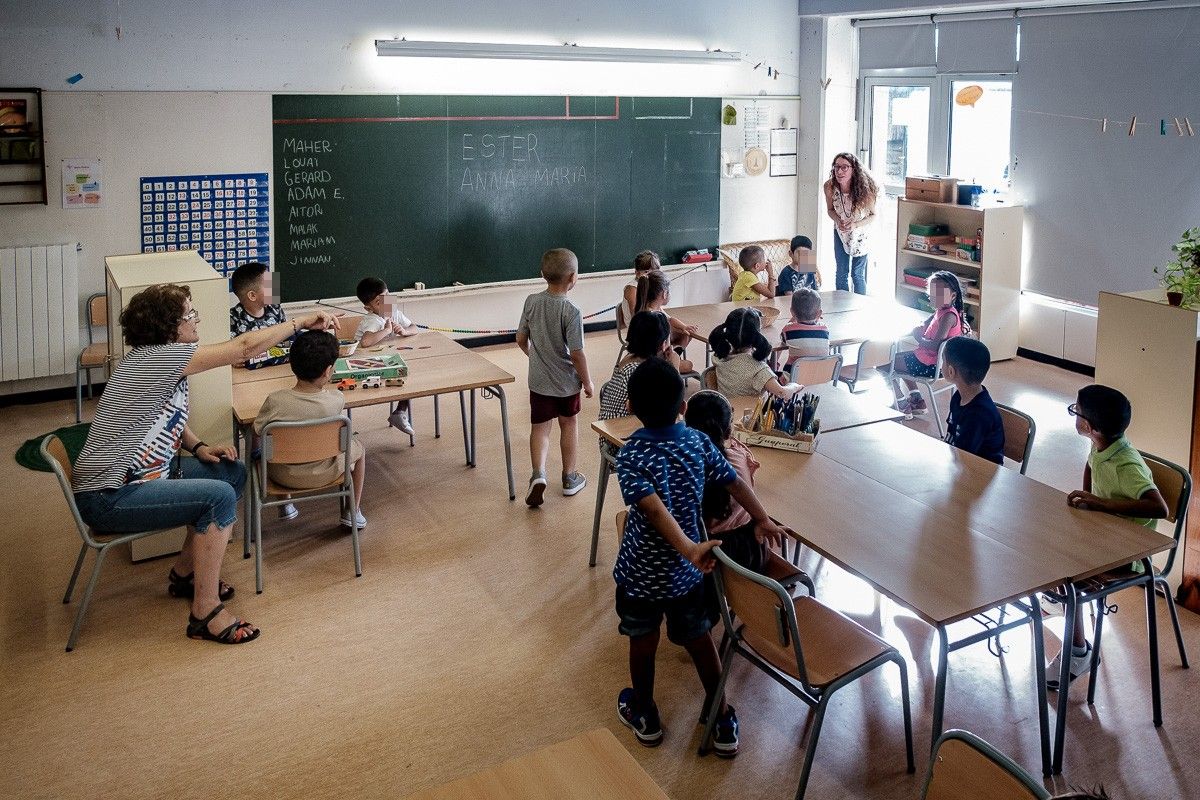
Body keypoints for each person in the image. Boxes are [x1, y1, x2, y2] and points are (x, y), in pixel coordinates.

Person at [71, 283, 340, 644]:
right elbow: (243, 347)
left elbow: (162, 416)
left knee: (232, 473)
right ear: (168, 327)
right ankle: (205, 612)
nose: (196, 320)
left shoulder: (156, 360)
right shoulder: (159, 357)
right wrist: (301, 322)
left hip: (141, 477)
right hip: (109, 495)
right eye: (189, 315)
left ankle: (184, 574)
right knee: (219, 498)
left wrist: (197, 447)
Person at [613, 358, 785, 755]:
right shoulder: (698, 442)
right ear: (683, 407)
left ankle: (646, 714)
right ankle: (721, 716)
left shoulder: (631, 454)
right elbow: (735, 482)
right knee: (699, 638)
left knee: (642, 640)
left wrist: (690, 548)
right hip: (688, 574)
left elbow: (653, 509)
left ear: (633, 407)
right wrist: (762, 518)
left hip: (641, 573)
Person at [1050, 385, 1168, 688]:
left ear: (1088, 427)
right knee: (1048, 550)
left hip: (1129, 555)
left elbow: (1159, 507)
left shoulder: (1127, 464)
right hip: (1103, 538)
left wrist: (1102, 503)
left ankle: (1079, 651)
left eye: (1075, 411)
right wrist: (1089, 495)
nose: (1073, 414)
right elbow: (1091, 464)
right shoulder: (1101, 444)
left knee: (1067, 575)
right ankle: (1072, 623)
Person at [253, 330, 368, 529]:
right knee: (360, 451)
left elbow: (256, 431)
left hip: (280, 476)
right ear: (328, 371)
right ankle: (352, 511)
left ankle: (286, 505)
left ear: (292, 365)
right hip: (327, 473)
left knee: (271, 447)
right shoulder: (336, 399)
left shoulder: (275, 400)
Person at [516, 247, 594, 507]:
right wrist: (588, 380)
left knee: (540, 428)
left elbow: (520, 338)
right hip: (566, 383)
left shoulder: (531, 301)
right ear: (573, 278)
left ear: (542, 275)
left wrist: (533, 357)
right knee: (569, 424)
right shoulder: (572, 310)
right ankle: (570, 478)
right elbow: (577, 353)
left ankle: (538, 474)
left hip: (539, 382)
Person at [683, 390, 775, 573]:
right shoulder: (737, 460)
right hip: (742, 556)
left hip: (697, 552)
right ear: (727, 431)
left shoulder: (680, 461)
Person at [887, 270, 969, 414]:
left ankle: (901, 403)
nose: (934, 296)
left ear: (953, 295)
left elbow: (935, 345)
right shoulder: (942, 312)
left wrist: (919, 338)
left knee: (886, 363)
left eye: (939, 293)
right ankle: (917, 401)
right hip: (931, 361)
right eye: (932, 292)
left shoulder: (948, 316)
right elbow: (924, 325)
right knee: (898, 359)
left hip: (931, 365)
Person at [598, 311, 672, 458]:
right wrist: (673, 367)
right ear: (663, 344)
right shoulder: (643, 371)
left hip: (610, 435)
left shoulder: (629, 359)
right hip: (620, 444)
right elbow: (667, 407)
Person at [355, 277, 418, 435]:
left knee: (409, 373)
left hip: (386, 360)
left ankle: (400, 412)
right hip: (363, 363)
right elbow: (366, 342)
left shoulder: (394, 313)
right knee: (404, 373)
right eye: (378, 302)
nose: (385, 303)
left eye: (387, 295)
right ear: (367, 308)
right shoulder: (372, 319)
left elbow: (414, 327)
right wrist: (386, 331)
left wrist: (404, 331)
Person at [710, 307, 802, 400]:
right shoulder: (758, 370)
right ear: (757, 335)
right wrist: (794, 386)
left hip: (726, 411)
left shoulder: (718, 357)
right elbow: (783, 393)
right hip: (752, 413)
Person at [941, 336, 1005, 464]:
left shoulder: (980, 415)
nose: (940, 364)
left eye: (943, 360)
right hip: (960, 465)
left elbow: (965, 457)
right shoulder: (958, 397)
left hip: (979, 473)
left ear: (951, 371)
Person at [823, 152, 878, 294]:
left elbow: (873, 215)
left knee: (857, 274)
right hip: (840, 231)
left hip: (861, 233)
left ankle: (859, 307)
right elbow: (830, 210)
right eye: (836, 167)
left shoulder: (866, 189)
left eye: (844, 167)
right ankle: (841, 306)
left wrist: (855, 224)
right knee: (841, 272)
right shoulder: (829, 186)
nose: (839, 171)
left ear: (853, 169)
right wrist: (837, 220)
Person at [632, 268, 696, 370]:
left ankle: (674, 357)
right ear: (664, 293)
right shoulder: (654, 317)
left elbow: (670, 320)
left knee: (685, 334)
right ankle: (673, 360)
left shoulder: (649, 309)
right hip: (653, 362)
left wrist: (683, 326)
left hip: (649, 357)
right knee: (688, 366)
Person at [229, 261, 290, 368]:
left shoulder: (275, 308)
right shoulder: (232, 318)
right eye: (269, 284)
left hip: (278, 369)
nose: (275, 287)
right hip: (248, 376)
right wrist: (232, 360)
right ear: (252, 295)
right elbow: (231, 353)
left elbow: (286, 339)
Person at [779, 288, 830, 373]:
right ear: (819, 313)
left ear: (792, 312)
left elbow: (782, 338)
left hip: (794, 381)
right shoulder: (824, 329)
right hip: (820, 379)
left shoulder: (788, 330)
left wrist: (792, 319)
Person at [618, 250, 659, 331]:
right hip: (638, 327)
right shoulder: (632, 288)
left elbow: (659, 309)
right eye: (646, 271)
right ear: (637, 273)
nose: (651, 275)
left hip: (650, 321)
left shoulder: (652, 285)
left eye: (655, 271)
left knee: (683, 333)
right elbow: (636, 315)